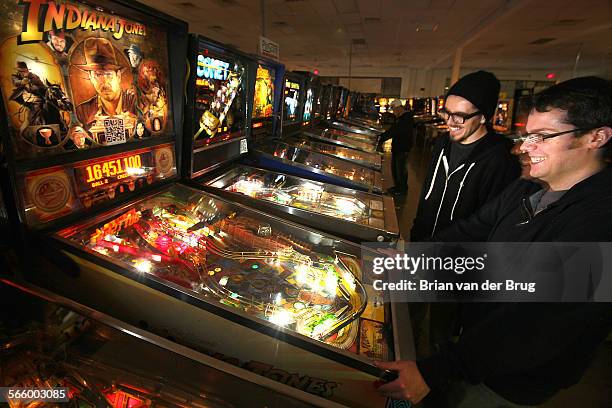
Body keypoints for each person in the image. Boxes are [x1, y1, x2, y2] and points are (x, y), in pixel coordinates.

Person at [376, 76, 612, 407]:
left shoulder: (601, 220)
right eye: (528, 135)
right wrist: (412, 256)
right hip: (475, 342)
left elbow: (537, 324)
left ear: (595, 137)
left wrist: (438, 370)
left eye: (542, 137)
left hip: (510, 378)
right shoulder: (530, 188)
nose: (526, 148)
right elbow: (473, 228)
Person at [410, 70, 520, 242]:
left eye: (460, 116)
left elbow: (485, 226)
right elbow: (427, 193)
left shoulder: (501, 161)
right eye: (446, 112)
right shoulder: (442, 144)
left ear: (483, 117)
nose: (449, 122)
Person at [75, 37, 137, 130]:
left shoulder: (134, 102)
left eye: (108, 74)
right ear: (91, 78)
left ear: (118, 76)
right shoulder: (82, 112)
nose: (104, 82)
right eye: (98, 75)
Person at [376, 99, 414, 195]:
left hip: (402, 148)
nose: (393, 112)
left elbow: (395, 131)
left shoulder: (405, 119)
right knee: (396, 168)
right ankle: (398, 186)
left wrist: (381, 138)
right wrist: (382, 137)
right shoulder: (402, 118)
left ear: (398, 108)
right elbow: (393, 130)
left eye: (394, 110)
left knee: (400, 169)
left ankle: (401, 189)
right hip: (399, 147)